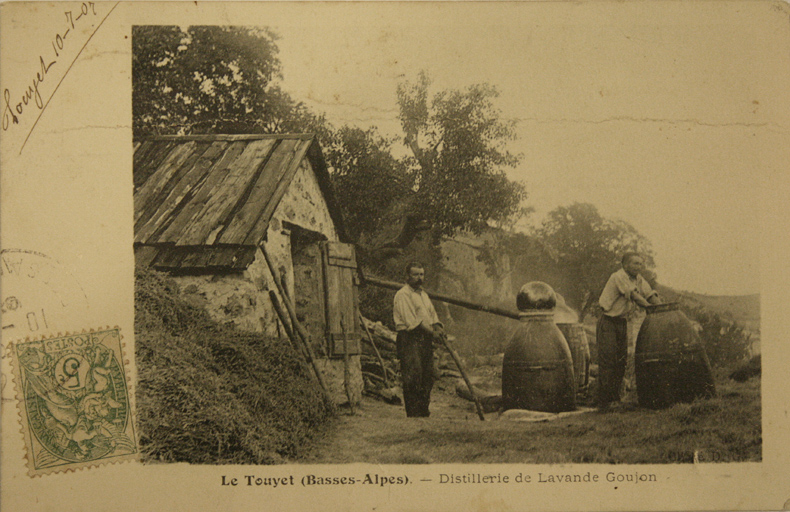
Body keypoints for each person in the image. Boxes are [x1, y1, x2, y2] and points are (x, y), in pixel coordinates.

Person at [597, 252, 660, 410]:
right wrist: (651, 309)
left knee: (621, 361)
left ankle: (615, 399)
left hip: (622, 322)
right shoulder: (618, 276)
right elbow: (635, 297)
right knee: (608, 361)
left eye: (640, 264)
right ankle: (604, 402)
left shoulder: (638, 278)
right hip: (608, 322)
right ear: (625, 265)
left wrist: (661, 307)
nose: (638, 267)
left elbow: (649, 293)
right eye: (635, 263)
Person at [393, 261, 444, 417]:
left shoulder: (424, 295)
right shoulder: (403, 294)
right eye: (415, 275)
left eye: (421, 274)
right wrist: (432, 333)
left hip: (425, 338)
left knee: (427, 376)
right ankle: (413, 413)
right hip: (409, 338)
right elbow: (412, 322)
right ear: (407, 276)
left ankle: (423, 411)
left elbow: (432, 315)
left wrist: (438, 327)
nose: (419, 278)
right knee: (413, 375)